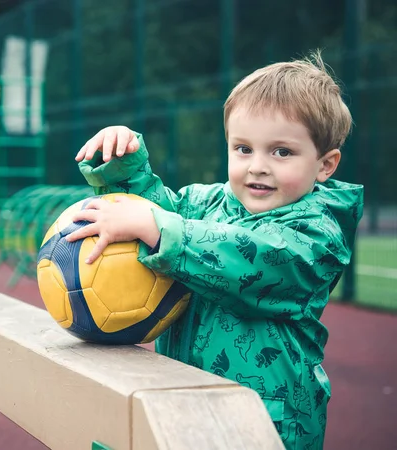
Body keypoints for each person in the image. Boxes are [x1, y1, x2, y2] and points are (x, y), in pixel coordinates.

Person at [66, 51, 364, 449]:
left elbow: (256, 259)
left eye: (281, 152)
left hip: (264, 421)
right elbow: (156, 210)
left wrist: (159, 228)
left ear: (325, 165)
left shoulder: (318, 234)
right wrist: (123, 165)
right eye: (243, 149)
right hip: (181, 400)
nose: (258, 166)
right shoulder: (205, 203)